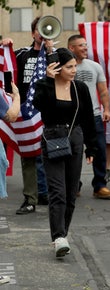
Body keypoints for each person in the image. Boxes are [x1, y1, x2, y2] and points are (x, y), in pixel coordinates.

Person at [33, 48, 97, 258]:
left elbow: (88, 118)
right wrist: (48, 81)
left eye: (74, 66)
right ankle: (58, 236)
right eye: (69, 67)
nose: (73, 70)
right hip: (52, 137)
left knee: (71, 192)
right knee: (57, 191)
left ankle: (63, 233)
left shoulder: (80, 88)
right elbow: (39, 105)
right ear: (57, 68)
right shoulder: (46, 85)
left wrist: (92, 146)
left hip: (75, 139)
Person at [67, 34, 110, 200]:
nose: (85, 48)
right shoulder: (65, 67)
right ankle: (74, 185)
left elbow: (103, 90)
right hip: (72, 117)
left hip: (94, 116)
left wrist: (106, 109)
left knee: (99, 150)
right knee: (74, 152)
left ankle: (100, 185)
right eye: (81, 45)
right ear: (71, 48)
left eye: (86, 45)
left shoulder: (95, 67)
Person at [14, 16, 52, 214]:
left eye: (46, 29)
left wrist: (51, 52)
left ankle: (49, 193)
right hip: (28, 113)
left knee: (51, 155)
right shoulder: (21, 54)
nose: (42, 33)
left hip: (50, 113)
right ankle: (30, 198)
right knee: (29, 157)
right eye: (39, 29)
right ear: (32, 33)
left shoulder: (57, 55)